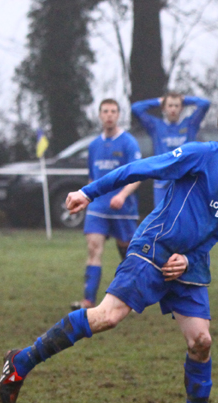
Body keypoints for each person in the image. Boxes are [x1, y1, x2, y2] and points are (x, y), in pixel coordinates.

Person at [0, 99, 218, 403]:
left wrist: (189, 259)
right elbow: (138, 169)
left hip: (188, 263)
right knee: (107, 317)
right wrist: (87, 192)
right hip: (153, 248)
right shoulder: (201, 155)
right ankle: (20, 362)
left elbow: (215, 233)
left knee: (201, 342)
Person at [71, 99, 142, 310]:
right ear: (100, 115)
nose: (109, 115)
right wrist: (87, 198)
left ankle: (133, 296)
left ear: (118, 115)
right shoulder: (94, 146)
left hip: (123, 208)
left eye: (113, 111)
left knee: (128, 254)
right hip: (99, 208)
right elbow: (93, 179)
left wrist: (122, 195)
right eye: (105, 111)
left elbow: (137, 176)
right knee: (94, 249)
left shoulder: (129, 143)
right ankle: (88, 301)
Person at [131, 91, 210, 206]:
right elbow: (136, 108)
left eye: (177, 105)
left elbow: (205, 104)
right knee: (162, 220)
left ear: (182, 108)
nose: (173, 109)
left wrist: (184, 99)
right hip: (162, 183)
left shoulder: (190, 124)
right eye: (170, 105)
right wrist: (159, 101)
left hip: (185, 182)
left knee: (185, 220)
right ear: (164, 108)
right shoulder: (156, 126)